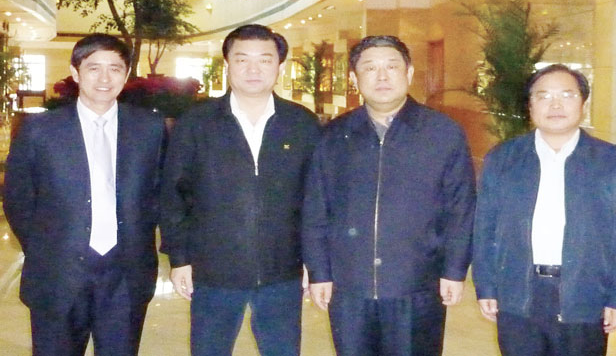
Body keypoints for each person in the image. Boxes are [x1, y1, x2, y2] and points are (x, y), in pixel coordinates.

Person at [303, 35, 476, 356]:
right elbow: (316, 208)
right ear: (354, 78)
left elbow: (461, 208)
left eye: (392, 67)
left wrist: (454, 270)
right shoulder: (334, 136)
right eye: (370, 68)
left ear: (409, 73)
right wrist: (319, 271)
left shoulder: (442, 133)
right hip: (349, 285)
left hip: (417, 284)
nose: (382, 76)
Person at [159, 24, 321, 356]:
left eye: (265, 60)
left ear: (279, 66)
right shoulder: (196, 123)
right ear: (227, 64)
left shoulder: (302, 123)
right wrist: (180, 258)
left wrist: (314, 261)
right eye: (242, 59)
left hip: (283, 270)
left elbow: (316, 198)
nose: (253, 69)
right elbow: (173, 194)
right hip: (212, 270)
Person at [3, 34, 165, 356]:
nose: (104, 78)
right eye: (93, 68)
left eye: (115, 69)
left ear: (126, 74)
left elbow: (159, 193)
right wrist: (47, 247)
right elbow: (18, 198)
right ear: (75, 73)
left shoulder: (150, 128)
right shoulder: (40, 130)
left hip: (125, 275)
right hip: (57, 274)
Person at [472, 63, 616, 356]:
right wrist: (486, 285)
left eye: (567, 94)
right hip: (518, 292)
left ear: (583, 104)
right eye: (544, 96)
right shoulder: (503, 159)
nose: (555, 105)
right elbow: (484, 228)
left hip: (586, 294)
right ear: (530, 106)